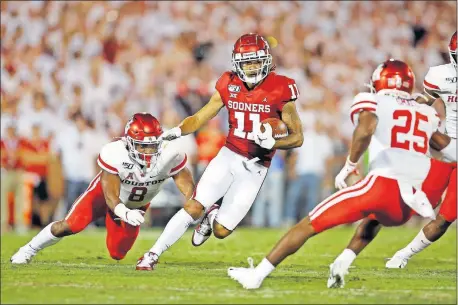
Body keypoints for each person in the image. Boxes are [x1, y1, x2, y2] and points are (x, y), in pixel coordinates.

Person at [226, 59, 456, 289]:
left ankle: (256, 276)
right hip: (408, 205)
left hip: (382, 186)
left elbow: (366, 129)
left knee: (308, 224)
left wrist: (350, 164)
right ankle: (343, 261)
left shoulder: (374, 100)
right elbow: (449, 150)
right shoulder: (426, 112)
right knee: (373, 220)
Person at [136, 33, 304, 271]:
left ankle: (213, 215)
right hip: (229, 154)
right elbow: (200, 117)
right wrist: (175, 131)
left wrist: (273, 143)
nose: (252, 67)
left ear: (266, 61)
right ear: (237, 63)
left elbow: (297, 137)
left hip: (256, 167)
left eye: (256, 61)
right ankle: (152, 254)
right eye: (247, 62)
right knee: (194, 206)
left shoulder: (281, 87)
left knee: (222, 231)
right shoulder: (228, 82)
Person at [10, 113, 195, 264]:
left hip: (136, 205)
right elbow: (111, 196)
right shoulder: (115, 152)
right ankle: (28, 250)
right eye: (142, 146)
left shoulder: (171, 154)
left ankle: (113, 221)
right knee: (69, 225)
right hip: (104, 196)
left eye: (152, 146)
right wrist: (123, 212)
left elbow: (188, 189)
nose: (148, 153)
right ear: (129, 142)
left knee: (117, 253)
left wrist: (197, 205)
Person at [385, 32, 457, 269]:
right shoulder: (440, 75)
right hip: (446, 149)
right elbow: (427, 99)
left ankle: (403, 255)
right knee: (415, 202)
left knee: (446, 217)